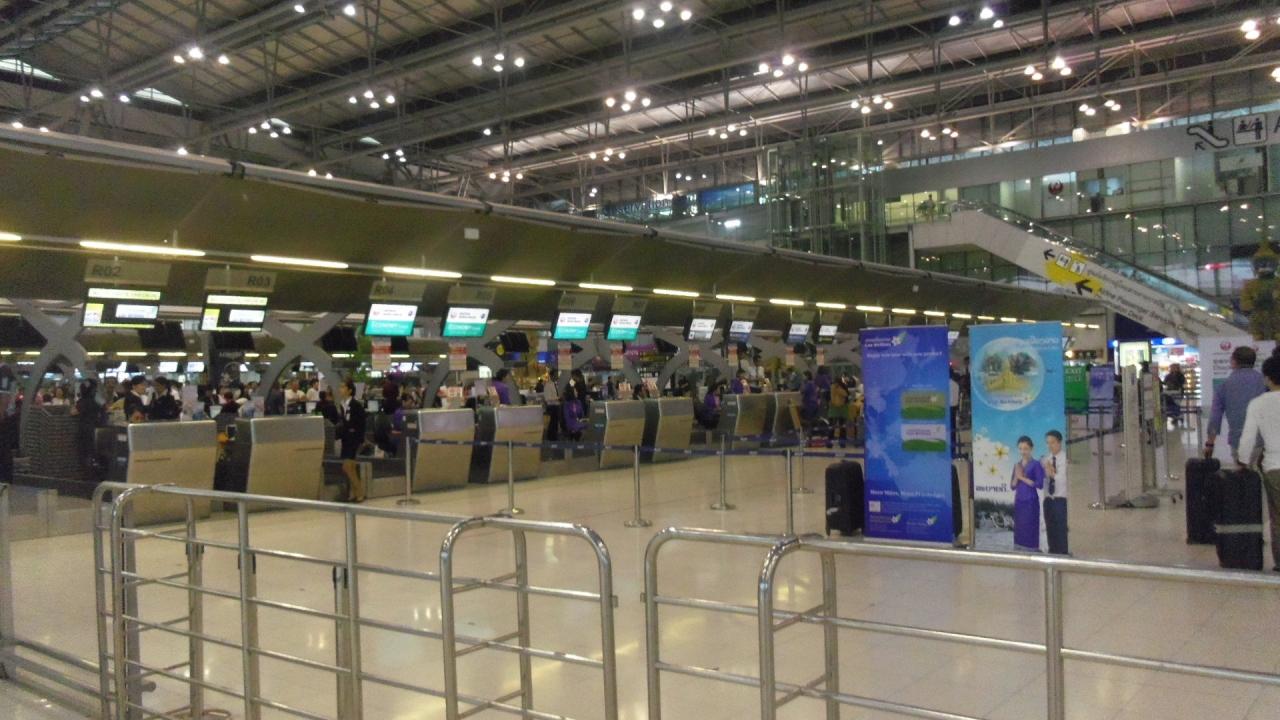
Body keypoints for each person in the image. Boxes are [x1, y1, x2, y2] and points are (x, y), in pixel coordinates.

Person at [1236, 350, 1280, 572]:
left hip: (1274, 467)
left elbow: (1248, 438)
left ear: (1268, 378)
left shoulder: (1258, 403)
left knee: (1277, 516)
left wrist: (1243, 461)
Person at [1206, 346, 1268, 462]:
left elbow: (1215, 417)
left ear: (1233, 361)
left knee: (1242, 470)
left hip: (1238, 439)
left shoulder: (1224, 385)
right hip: (1262, 438)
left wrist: (1210, 443)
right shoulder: (1265, 382)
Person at [1010, 435, 1045, 552]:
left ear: (1031, 449)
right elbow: (1012, 486)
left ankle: (1032, 549)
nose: (1022, 451)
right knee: (1020, 527)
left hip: (1030, 501)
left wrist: (1022, 477)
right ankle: (1019, 547)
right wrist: (1017, 476)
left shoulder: (1036, 464)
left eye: (1025, 448)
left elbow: (1039, 484)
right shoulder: (1017, 465)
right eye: (1020, 449)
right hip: (1019, 500)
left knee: (1030, 526)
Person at [337, 380, 367, 502]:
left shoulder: (356, 405)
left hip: (353, 438)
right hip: (346, 438)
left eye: (343, 387)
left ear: (349, 390)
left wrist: (360, 438)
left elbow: (361, 422)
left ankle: (359, 492)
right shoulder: (342, 404)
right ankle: (354, 492)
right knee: (350, 467)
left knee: (347, 466)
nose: (340, 389)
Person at [1041, 430, 1068, 555]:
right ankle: (1052, 552)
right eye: (1048, 443)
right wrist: (1047, 470)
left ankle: (1062, 553)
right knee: (1050, 528)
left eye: (1052, 442)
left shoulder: (1064, 458)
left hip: (1060, 499)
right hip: (1048, 499)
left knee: (1061, 529)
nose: (1050, 446)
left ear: (1059, 442)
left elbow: (1061, 479)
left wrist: (1051, 472)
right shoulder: (1045, 459)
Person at [71, 380, 103, 472]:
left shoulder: (83, 402)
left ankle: (85, 471)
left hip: (83, 430)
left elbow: (73, 412)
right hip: (94, 430)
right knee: (91, 452)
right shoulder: (96, 402)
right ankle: (92, 470)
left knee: (83, 453)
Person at [828, 375, 850, 447]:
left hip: (841, 408)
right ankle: (830, 442)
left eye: (836, 382)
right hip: (835, 408)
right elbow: (832, 396)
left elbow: (846, 394)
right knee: (833, 426)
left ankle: (841, 443)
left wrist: (838, 389)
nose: (835, 384)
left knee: (842, 426)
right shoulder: (833, 387)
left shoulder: (841, 387)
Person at [542, 370, 562, 441]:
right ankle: (551, 438)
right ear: (552, 376)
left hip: (556, 406)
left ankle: (554, 437)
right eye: (556, 375)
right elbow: (547, 398)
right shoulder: (548, 385)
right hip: (551, 407)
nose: (557, 376)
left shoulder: (555, 384)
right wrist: (558, 398)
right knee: (551, 424)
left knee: (555, 423)